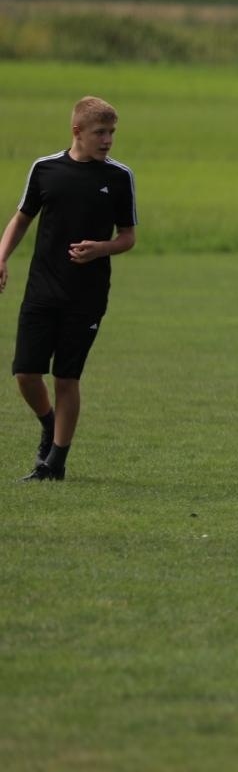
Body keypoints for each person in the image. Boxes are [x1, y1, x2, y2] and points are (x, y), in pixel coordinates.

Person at [1, 95, 138, 482]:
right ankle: (49, 424)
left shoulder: (118, 177)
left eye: (112, 132)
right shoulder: (45, 170)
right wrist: (1, 256)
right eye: (100, 132)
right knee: (26, 374)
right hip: (42, 289)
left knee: (66, 378)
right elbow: (22, 219)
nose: (108, 140)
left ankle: (55, 462)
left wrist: (102, 249)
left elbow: (128, 237)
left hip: (87, 295)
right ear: (77, 131)